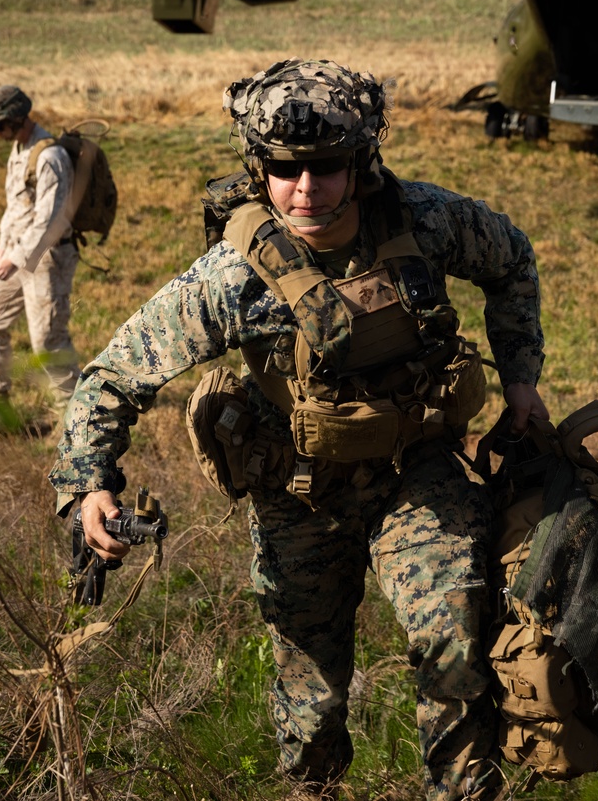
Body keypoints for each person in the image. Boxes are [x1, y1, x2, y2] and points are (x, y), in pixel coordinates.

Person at [49, 58, 548, 801]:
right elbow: (114, 376)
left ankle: (466, 789)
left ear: (359, 161)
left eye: (325, 169)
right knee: (310, 695)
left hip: (419, 471)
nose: (305, 189)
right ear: (259, 167)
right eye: (284, 170)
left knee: (454, 631)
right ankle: (313, 789)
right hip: (299, 493)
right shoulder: (234, 276)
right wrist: (87, 485)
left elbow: (512, 261)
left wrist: (521, 379)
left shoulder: (426, 222)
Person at [0, 85, 81, 412]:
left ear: (17, 120)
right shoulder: (19, 149)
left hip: (48, 259)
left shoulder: (50, 157)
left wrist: (14, 258)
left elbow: (50, 222)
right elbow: (16, 208)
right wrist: (4, 248)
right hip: (15, 255)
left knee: (48, 342)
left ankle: (75, 418)